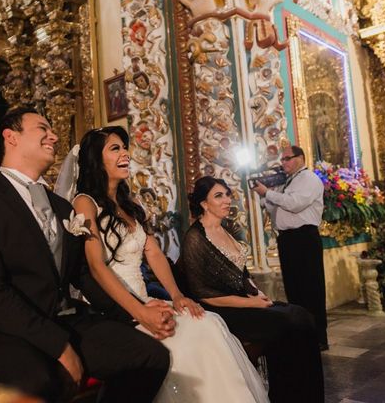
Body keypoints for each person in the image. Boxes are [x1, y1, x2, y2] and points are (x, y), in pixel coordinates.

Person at [0, 107, 170, 402]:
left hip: (66, 321)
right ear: (10, 137)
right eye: (42, 128)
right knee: (40, 381)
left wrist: (138, 314)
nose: (54, 135)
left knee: (151, 355)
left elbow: (83, 276)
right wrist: (60, 346)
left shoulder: (63, 209)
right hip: (3, 330)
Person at [69, 126, 268, 402]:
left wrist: (177, 296)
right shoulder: (85, 203)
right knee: (187, 343)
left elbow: (154, 253)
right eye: (115, 148)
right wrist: (139, 311)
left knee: (207, 323)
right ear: (95, 159)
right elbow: (96, 267)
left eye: (125, 147)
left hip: (147, 299)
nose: (125, 152)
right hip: (116, 308)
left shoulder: (129, 204)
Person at [179, 176, 324, 402]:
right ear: (204, 204)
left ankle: (305, 396)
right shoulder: (195, 238)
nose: (227, 200)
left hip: (245, 301)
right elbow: (204, 294)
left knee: (303, 316)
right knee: (288, 323)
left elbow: (242, 273)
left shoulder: (227, 229)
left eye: (227, 194)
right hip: (222, 309)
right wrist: (251, 302)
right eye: (219, 196)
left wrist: (257, 293)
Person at [251, 145, 328, 349]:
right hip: (288, 239)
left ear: (300, 158)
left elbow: (295, 204)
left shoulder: (309, 179)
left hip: (304, 238)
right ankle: (302, 333)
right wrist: (264, 197)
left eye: (287, 158)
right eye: (282, 160)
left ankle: (318, 336)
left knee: (311, 288)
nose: (283, 163)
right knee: (294, 288)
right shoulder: (288, 182)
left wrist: (268, 192)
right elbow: (275, 208)